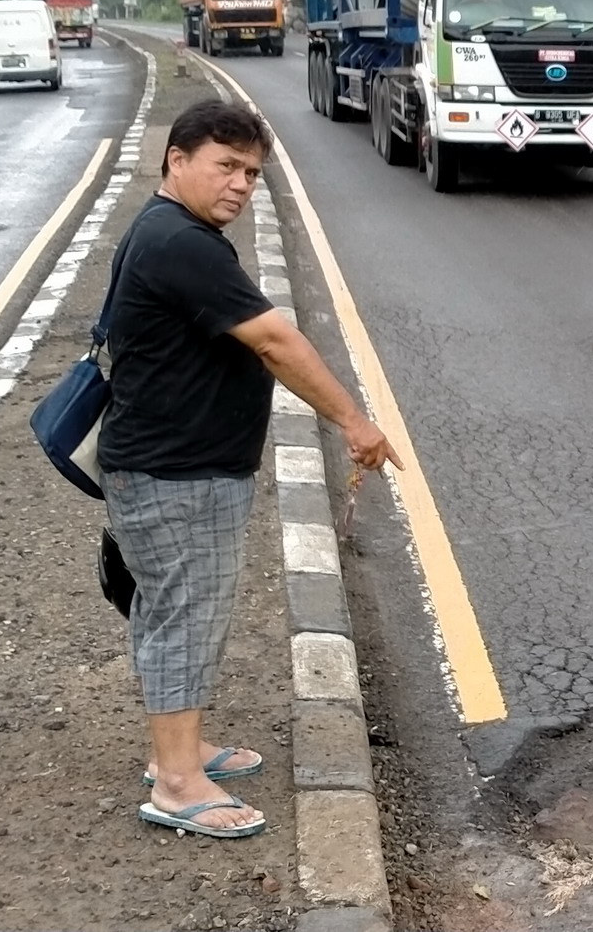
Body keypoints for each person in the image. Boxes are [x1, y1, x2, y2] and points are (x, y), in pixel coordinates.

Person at [99, 99, 402, 839]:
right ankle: (176, 782)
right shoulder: (183, 244)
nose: (240, 184)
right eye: (225, 165)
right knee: (185, 617)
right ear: (177, 159)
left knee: (176, 610)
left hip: (171, 464)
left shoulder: (167, 229)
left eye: (252, 172)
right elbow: (274, 340)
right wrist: (355, 423)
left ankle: (179, 746)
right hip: (178, 473)